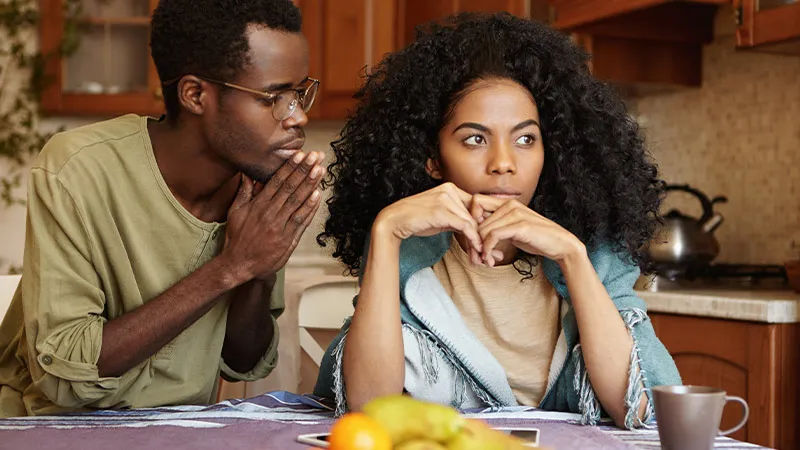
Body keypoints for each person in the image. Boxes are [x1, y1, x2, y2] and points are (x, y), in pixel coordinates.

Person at [314, 12, 681, 429]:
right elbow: (368, 411)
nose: (504, 164)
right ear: (433, 159)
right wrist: (385, 232)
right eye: (475, 139)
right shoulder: (407, 251)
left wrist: (572, 256)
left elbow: (643, 408)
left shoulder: (594, 250)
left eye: (526, 139)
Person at [0, 0, 324, 417]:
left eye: (299, 93)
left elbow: (243, 360)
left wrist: (259, 271)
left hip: (180, 431)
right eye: (274, 97)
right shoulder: (77, 169)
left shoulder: (258, 184)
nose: (297, 117)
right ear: (195, 95)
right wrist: (232, 265)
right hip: (43, 428)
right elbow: (66, 378)